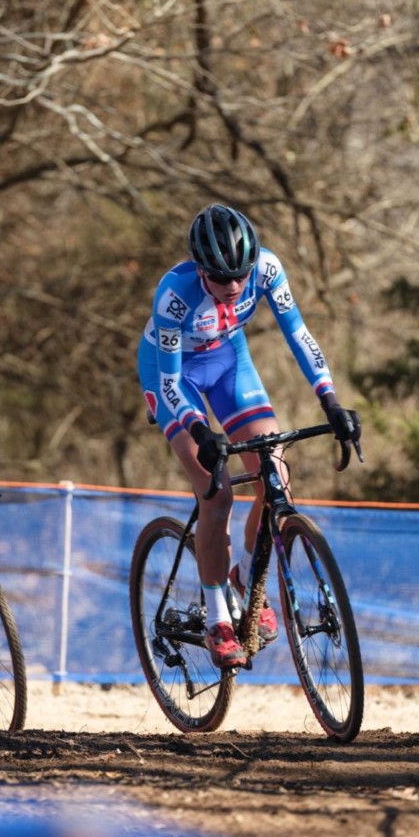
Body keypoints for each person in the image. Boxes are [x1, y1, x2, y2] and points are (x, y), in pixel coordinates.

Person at [137, 204, 361, 669]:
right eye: (221, 279)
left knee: (274, 475)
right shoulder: (174, 294)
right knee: (216, 494)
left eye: (241, 275)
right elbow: (169, 382)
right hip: (172, 375)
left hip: (229, 362)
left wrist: (331, 402)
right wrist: (201, 430)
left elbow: (299, 336)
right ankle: (218, 617)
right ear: (200, 269)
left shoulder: (267, 269)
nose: (235, 287)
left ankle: (244, 576)